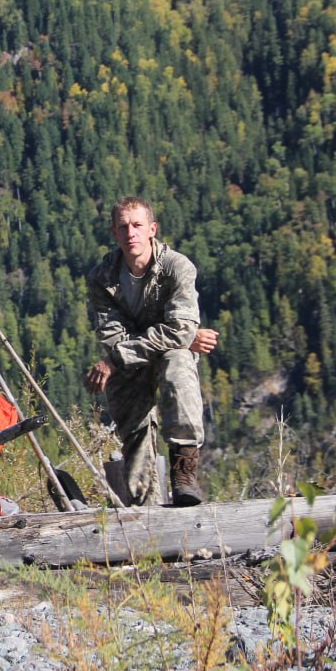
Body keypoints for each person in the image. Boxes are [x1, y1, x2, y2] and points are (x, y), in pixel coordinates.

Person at [83, 196, 218, 506]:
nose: (131, 232)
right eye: (123, 227)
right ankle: (144, 502)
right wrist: (177, 335)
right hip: (130, 363)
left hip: (143, 357)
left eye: (137, 225)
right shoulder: (102, 277)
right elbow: (114, 336)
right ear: (114, 233)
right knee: (132, 415)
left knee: (178, 362)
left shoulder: (176, 267)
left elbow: (179, 330)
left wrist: (118, 358)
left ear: (152, 229)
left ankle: (184, 473)